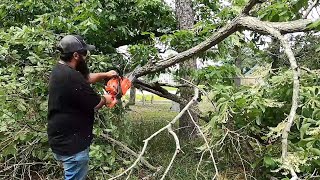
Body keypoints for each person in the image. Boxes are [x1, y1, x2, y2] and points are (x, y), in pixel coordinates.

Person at [47, 35, 117, 180]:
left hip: (60, 139)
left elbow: (86, 78)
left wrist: (106, 74)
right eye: (84, 54)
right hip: (72, 145)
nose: (86, 57)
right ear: (76, 55)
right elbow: (96, 103)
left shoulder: (60, 70)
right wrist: (107, 98)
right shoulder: (72, 78)